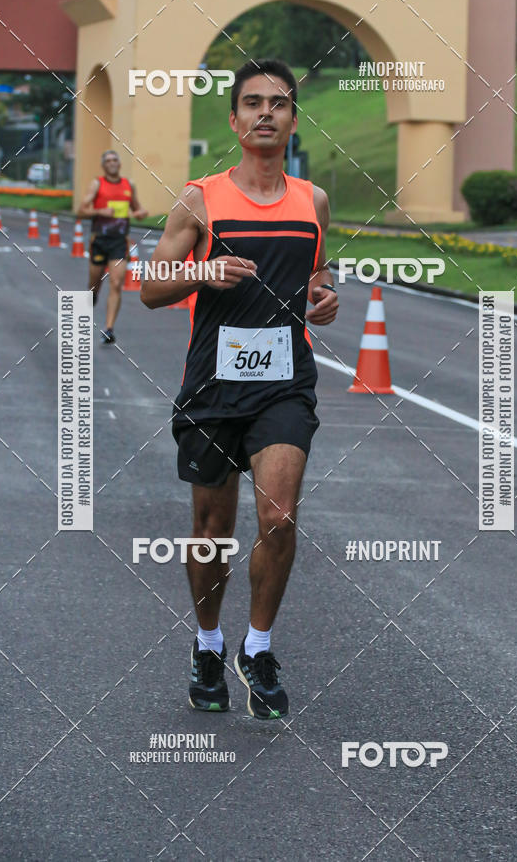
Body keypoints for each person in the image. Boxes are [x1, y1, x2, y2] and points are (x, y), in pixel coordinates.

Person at [142, 58, 339, 720]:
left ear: (291, 120)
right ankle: (206, 645)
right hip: (212, 387)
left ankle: (257, 649)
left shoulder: (312, 200)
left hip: (285, 383)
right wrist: (204, 271)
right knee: (211, 529)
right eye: (252, 102)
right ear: (234, 120)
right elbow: (149, 288)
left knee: (278, 517)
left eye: (277, 103)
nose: (264, 112)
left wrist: (324, 295)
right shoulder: (200, 198)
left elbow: (315, 272)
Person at [78, 150, 148, 344]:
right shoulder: (97, 184)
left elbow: (137, 208)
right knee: (94, 283)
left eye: (114, 160)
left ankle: (109, 329)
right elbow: (81, 210)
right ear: (103, 165)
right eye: (108, 160)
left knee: (116, 283)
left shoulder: (128, 185)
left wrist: (141, 212)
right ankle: (92, 295)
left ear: (119, 163)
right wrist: (101, 210)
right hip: (99, 240)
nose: (112, 163)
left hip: (119, 241)